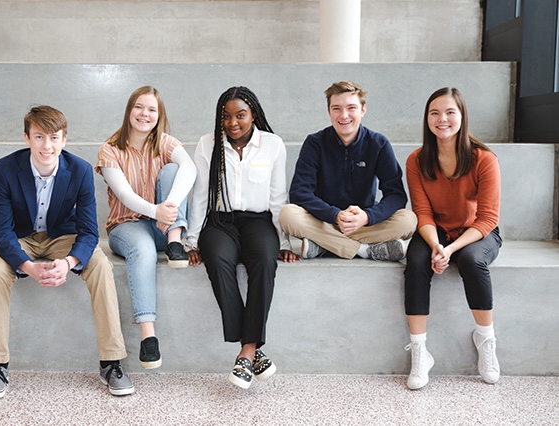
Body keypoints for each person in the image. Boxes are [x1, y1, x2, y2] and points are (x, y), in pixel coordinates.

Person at [0, 106, 133, 400]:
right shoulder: (4, 169)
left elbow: (89, 231)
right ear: (26, 138)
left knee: (99, 264)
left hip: (61, 236)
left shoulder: (81, 170)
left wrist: (70, 261)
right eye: (39, 137)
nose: (46, 146)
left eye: (53, 138)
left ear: (64, 139)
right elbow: (1, 230)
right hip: (18, 237)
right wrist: (27, 265)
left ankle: (111, 361)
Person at [186, 86, 299, 389]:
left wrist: (284, 242)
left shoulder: (272, 145)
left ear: (254, 115)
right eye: (226, 116)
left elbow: (278, 197)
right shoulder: (207, 144)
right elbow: (199, 196)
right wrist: (192, 239)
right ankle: (252, 350)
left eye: (240, 115)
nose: (232, 122)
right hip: (219, 222)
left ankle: (246, 352)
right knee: (219, 261)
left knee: (264, 260)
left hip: (258, 222)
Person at [403, 87, 502, 390]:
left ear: (461, 116)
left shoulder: (483, 159)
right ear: (426, 119)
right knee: (417, 260)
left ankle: (486, 340)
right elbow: (422, 212)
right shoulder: (417, 160)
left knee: (472, 260)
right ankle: (420, 350)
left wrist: (451, 248)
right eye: (434, 113)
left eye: (450, 112)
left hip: (476, 231)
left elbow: (488, 218)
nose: (442, 119)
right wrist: (435, 245)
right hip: (437, 231)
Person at [95, 86, 196, 369]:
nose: (145, 114)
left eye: (152, 109)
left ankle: (176, 242)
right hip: (125, 226)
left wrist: (169, 209)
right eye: (139, 107)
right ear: (129, 110)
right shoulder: (110, 149)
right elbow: (125, 195)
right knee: (143, 249)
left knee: (175, 171)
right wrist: (156, 211)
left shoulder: (164, 142)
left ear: (159, 115)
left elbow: (190, 169)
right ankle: (148, 337)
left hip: (164, 228)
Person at [279, 81, 417, 261]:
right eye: (336, 108)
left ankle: (323, 244)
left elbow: (396, 195)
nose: (344, 115)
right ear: (329, 112)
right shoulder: (315, 143)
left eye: (351, 107)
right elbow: (300, 192)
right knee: (288, 215)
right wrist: (335, 215)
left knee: (408, 220)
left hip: (363, 224)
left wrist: (367, 217)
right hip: (323, 221)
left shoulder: (378, 144)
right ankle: (364, 250)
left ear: (363, 110)